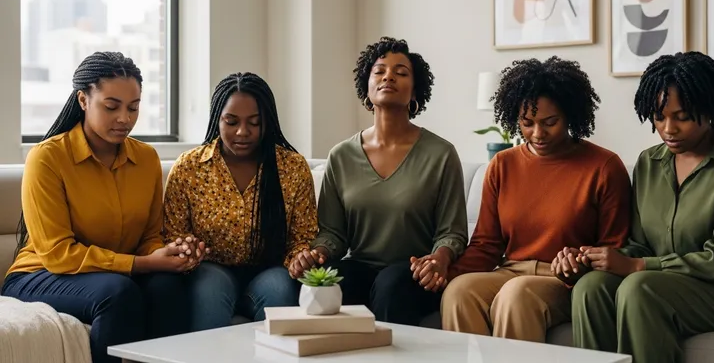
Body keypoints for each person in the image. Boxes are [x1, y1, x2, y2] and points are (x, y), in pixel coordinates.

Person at [571, 51, 714, 363]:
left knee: (640, 288)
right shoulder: (649, 162)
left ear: (709, 109)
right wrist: (596, 260)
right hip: (661, 283)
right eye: (659, 117)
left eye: (682, 117)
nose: (668, 128)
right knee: (591, 288)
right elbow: (640, 244)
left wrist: (640, 267)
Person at [1, 52, 191, 363]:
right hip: (41, 273)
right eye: (111, 106)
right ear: (83, 100)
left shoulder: (146, 159)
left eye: (133, 107)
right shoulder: (47, 158)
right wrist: (144, 264)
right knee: (118, 293)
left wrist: (167, 256)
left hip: (110, 276)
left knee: (168, 287)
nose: (124, 119)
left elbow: (149, 238)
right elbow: (58, 255)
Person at [439, 56, 632, 343]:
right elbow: (486, 245)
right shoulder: (502, 165)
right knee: (459, 291)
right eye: (527, 123)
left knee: (515, 296)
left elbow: (613, 246)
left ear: (570, 115)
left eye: (549, 122)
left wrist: (577, 264)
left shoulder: (603, 166)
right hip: (509, 270)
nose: (537, 134)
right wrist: (445, 272)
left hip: (566, 282)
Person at [290, 37, 468, 326]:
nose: (389, 77)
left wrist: (439, 259)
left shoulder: (441, 154)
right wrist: (317, 254)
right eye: (380, 71)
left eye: (401, 72)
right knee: (327, 285)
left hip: (414, 272)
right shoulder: (341, 155)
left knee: (390, 285)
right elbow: (333, 233)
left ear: (415, 90)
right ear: (367, 85)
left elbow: (452, 232)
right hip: (360, 266)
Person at [163, 72, 318, 331]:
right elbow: (173, 234)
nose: (242, 132)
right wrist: (187, 249)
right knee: (209, 291)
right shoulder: (190, 167)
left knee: (280, 290)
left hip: (271, 270)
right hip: (211, 270)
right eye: (231, 121)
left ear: (267, 121)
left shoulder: (292, 167)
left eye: (254, 123)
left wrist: (300, 258)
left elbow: (302, 236)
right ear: (217, 120)